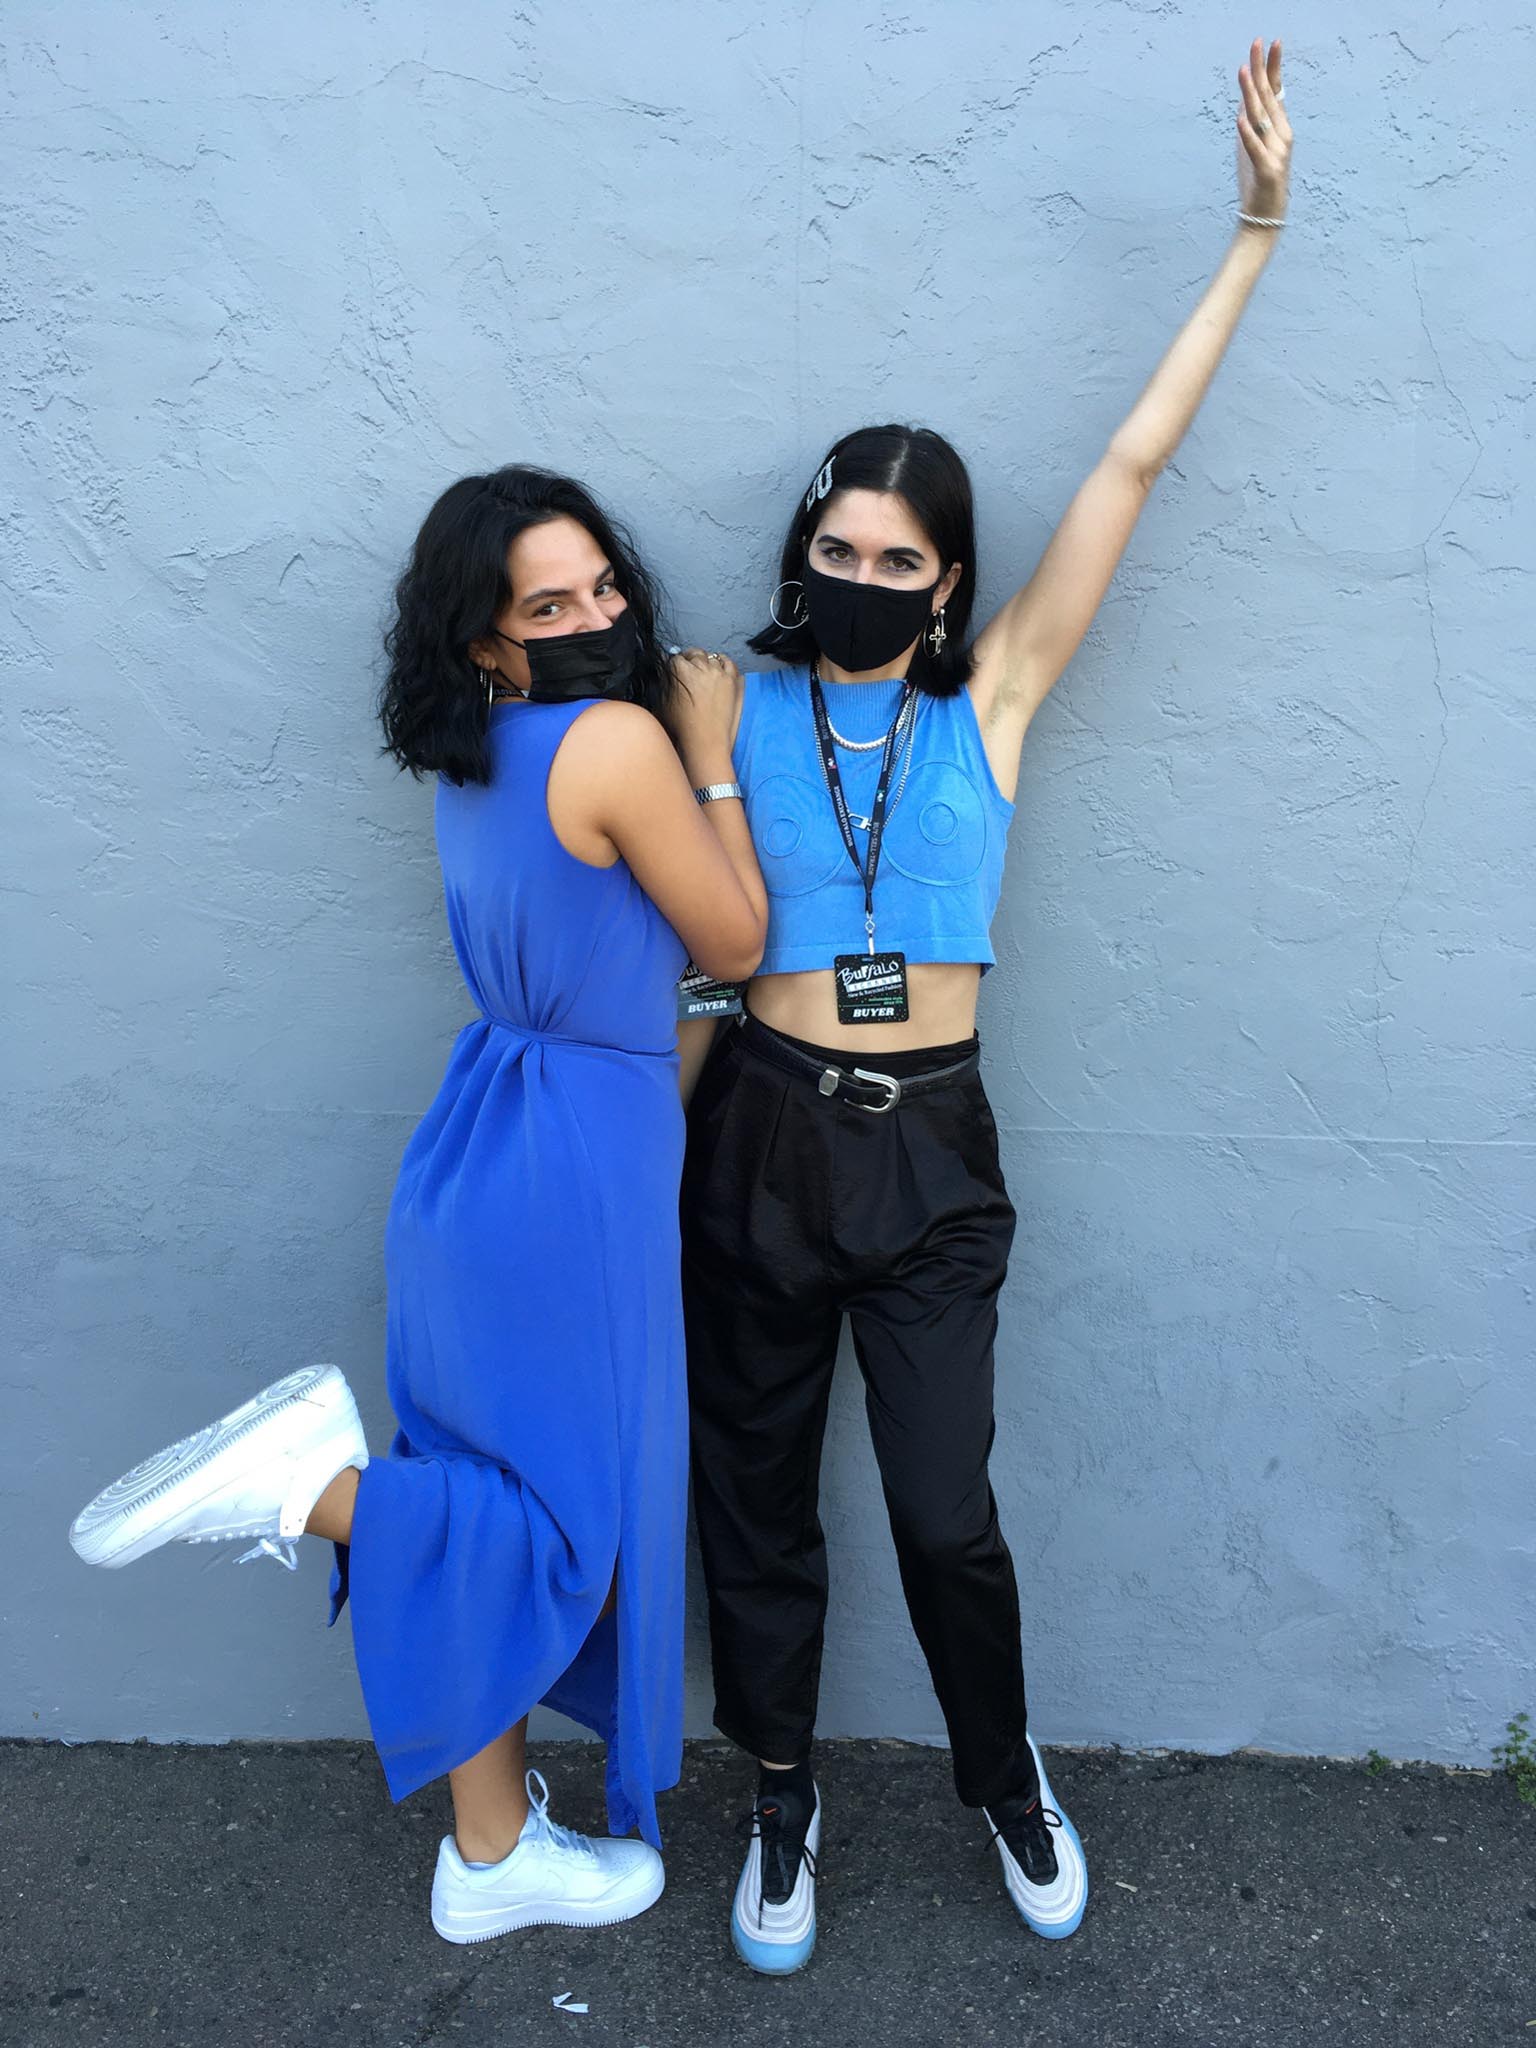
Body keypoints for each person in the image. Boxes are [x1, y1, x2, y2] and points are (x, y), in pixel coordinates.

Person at [678, 41, 1294, 1971]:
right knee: (758, 1496)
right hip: (760, 1126)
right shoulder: (725, 704)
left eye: (896, 561)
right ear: (804, 549)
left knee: (944, 1512)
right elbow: (563, 687)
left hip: (931, 1143)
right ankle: (780, 1794)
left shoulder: (989, 703)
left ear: (948, 589)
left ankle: (1001, 1769)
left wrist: (1257, 235)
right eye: (833, 549)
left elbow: (1128, 463)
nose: (856, 578)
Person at [69, 465, 766, 1945]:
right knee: (565, 1521)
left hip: (483, 1156)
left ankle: (491, 1852)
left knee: (494, 1489)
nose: (598, 616)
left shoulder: (482, 758)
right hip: (568, 1182)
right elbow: (739, 936)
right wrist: (712, 754)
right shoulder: (623, 741)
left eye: (603, 586)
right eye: (550, 602)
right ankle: (307, 1490)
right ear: (485, 641)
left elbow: (631, 991)